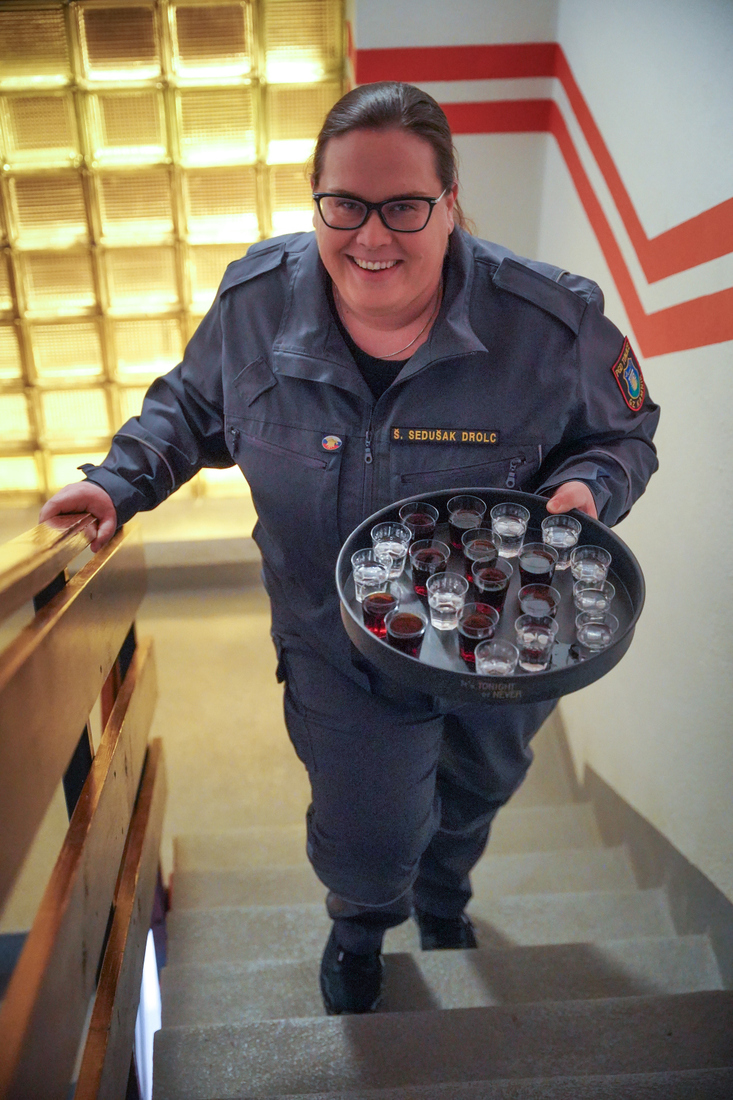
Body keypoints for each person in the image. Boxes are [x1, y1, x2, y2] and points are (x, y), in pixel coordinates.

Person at [40, 82, 659, 1016]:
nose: (372, 236)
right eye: (345, 204)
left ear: (449, 202)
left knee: (476, 793)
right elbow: (191, 408)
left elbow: (623, 432)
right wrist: (117, 482)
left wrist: (593, 486)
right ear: (316, 201)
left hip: (502, 645)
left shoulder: (550, 322)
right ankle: (361, 928)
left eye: (404, 205)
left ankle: (445, 902)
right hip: (338, 643)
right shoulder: (255, 302)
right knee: (367, 834)